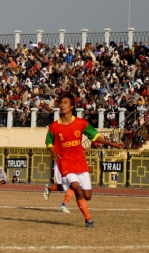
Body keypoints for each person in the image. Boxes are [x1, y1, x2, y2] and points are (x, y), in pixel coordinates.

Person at [46, 92, 124, 228]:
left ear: (71, 106)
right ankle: (88, 220)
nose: (62, 105)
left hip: (80, 161)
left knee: (87, 196)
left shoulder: (81, 123)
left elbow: (95, 136)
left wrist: (112, 144)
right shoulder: (54, 126)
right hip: (65, 162)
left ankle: (59, 192)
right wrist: (52, 151)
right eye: (61, 103)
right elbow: (48, 142)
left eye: (65, 103)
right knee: (76, 188)